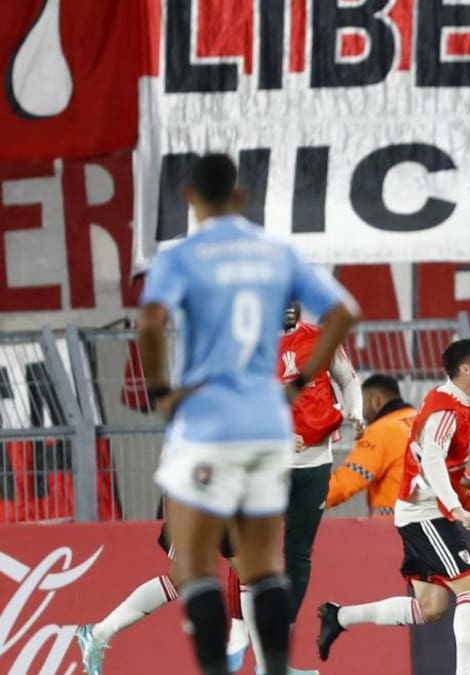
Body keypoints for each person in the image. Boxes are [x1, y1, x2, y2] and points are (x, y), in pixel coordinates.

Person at [133, 153, 357, 675]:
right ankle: (274, 667)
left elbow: (150, 322)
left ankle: (216, 670)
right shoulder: (275, 252)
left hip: (207, 425)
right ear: (240, 199)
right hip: (266, 426)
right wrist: (300, 383)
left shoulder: (182, 255)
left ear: (190, 199)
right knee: (262, 565)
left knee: (192, 564)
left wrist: (163, 391)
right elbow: (346, 313)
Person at [315, 338, 470, 675]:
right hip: (425, 513)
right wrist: (457, 508)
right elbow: (432, 459)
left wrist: (461, 482)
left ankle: (339, 616)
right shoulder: (441, 408)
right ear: (465, 369)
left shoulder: (450, 405)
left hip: (421, 511)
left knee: (431, 607)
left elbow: (436, 459)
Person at [226, 302, 364, 674]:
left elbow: (348, 380)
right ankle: (246, 640)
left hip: (316, 464)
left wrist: (356, 412)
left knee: (299, 557)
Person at [73, 501, 236, 675]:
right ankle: (99, 634)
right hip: (197, 507)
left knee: (248, 572)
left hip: (231, 506)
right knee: (184, 574)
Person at [325, 373, 418, 516]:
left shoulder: (381, 431)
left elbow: (346, 482)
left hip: (395, 529)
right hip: (444, 527)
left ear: (376, 402)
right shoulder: (426, 422)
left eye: (363, 403)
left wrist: (302, 500)